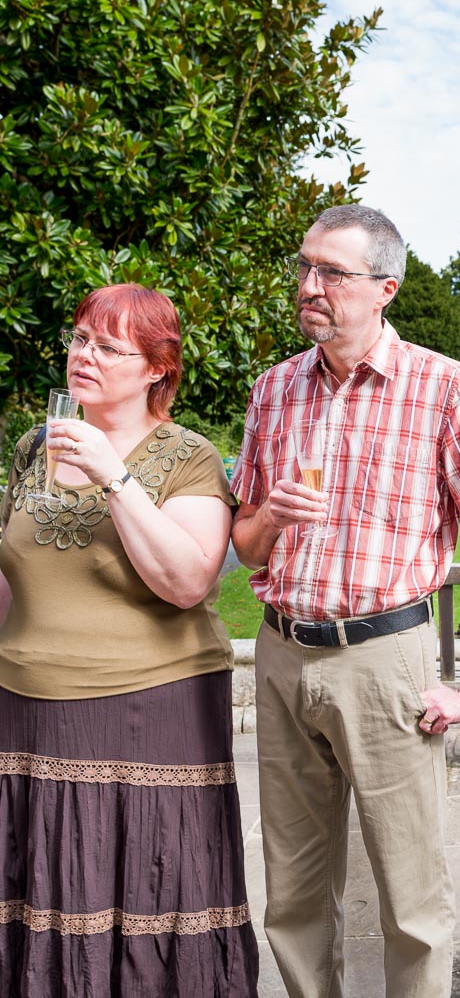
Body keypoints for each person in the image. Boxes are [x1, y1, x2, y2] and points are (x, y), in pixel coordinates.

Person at [231, 205, 460, 997]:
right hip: (282, 650)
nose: (308, 286)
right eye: (304, 267)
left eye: (331, 272)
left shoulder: (443, 386)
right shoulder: (274, 391)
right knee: (291, 897)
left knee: (411, 900)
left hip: (387, 658)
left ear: (385, 287)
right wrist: (269, 515)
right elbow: (245, 543)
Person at [0, 284, 257, 994]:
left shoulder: (187, 456)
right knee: (38, 888)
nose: (85, 355)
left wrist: (115, 476)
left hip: (148, 710)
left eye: (109, 347)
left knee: (147, 887)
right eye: (81, 337)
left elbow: (187, 582)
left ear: (156, 368)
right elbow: (15, 571)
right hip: (24, 709)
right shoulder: (33, 446)